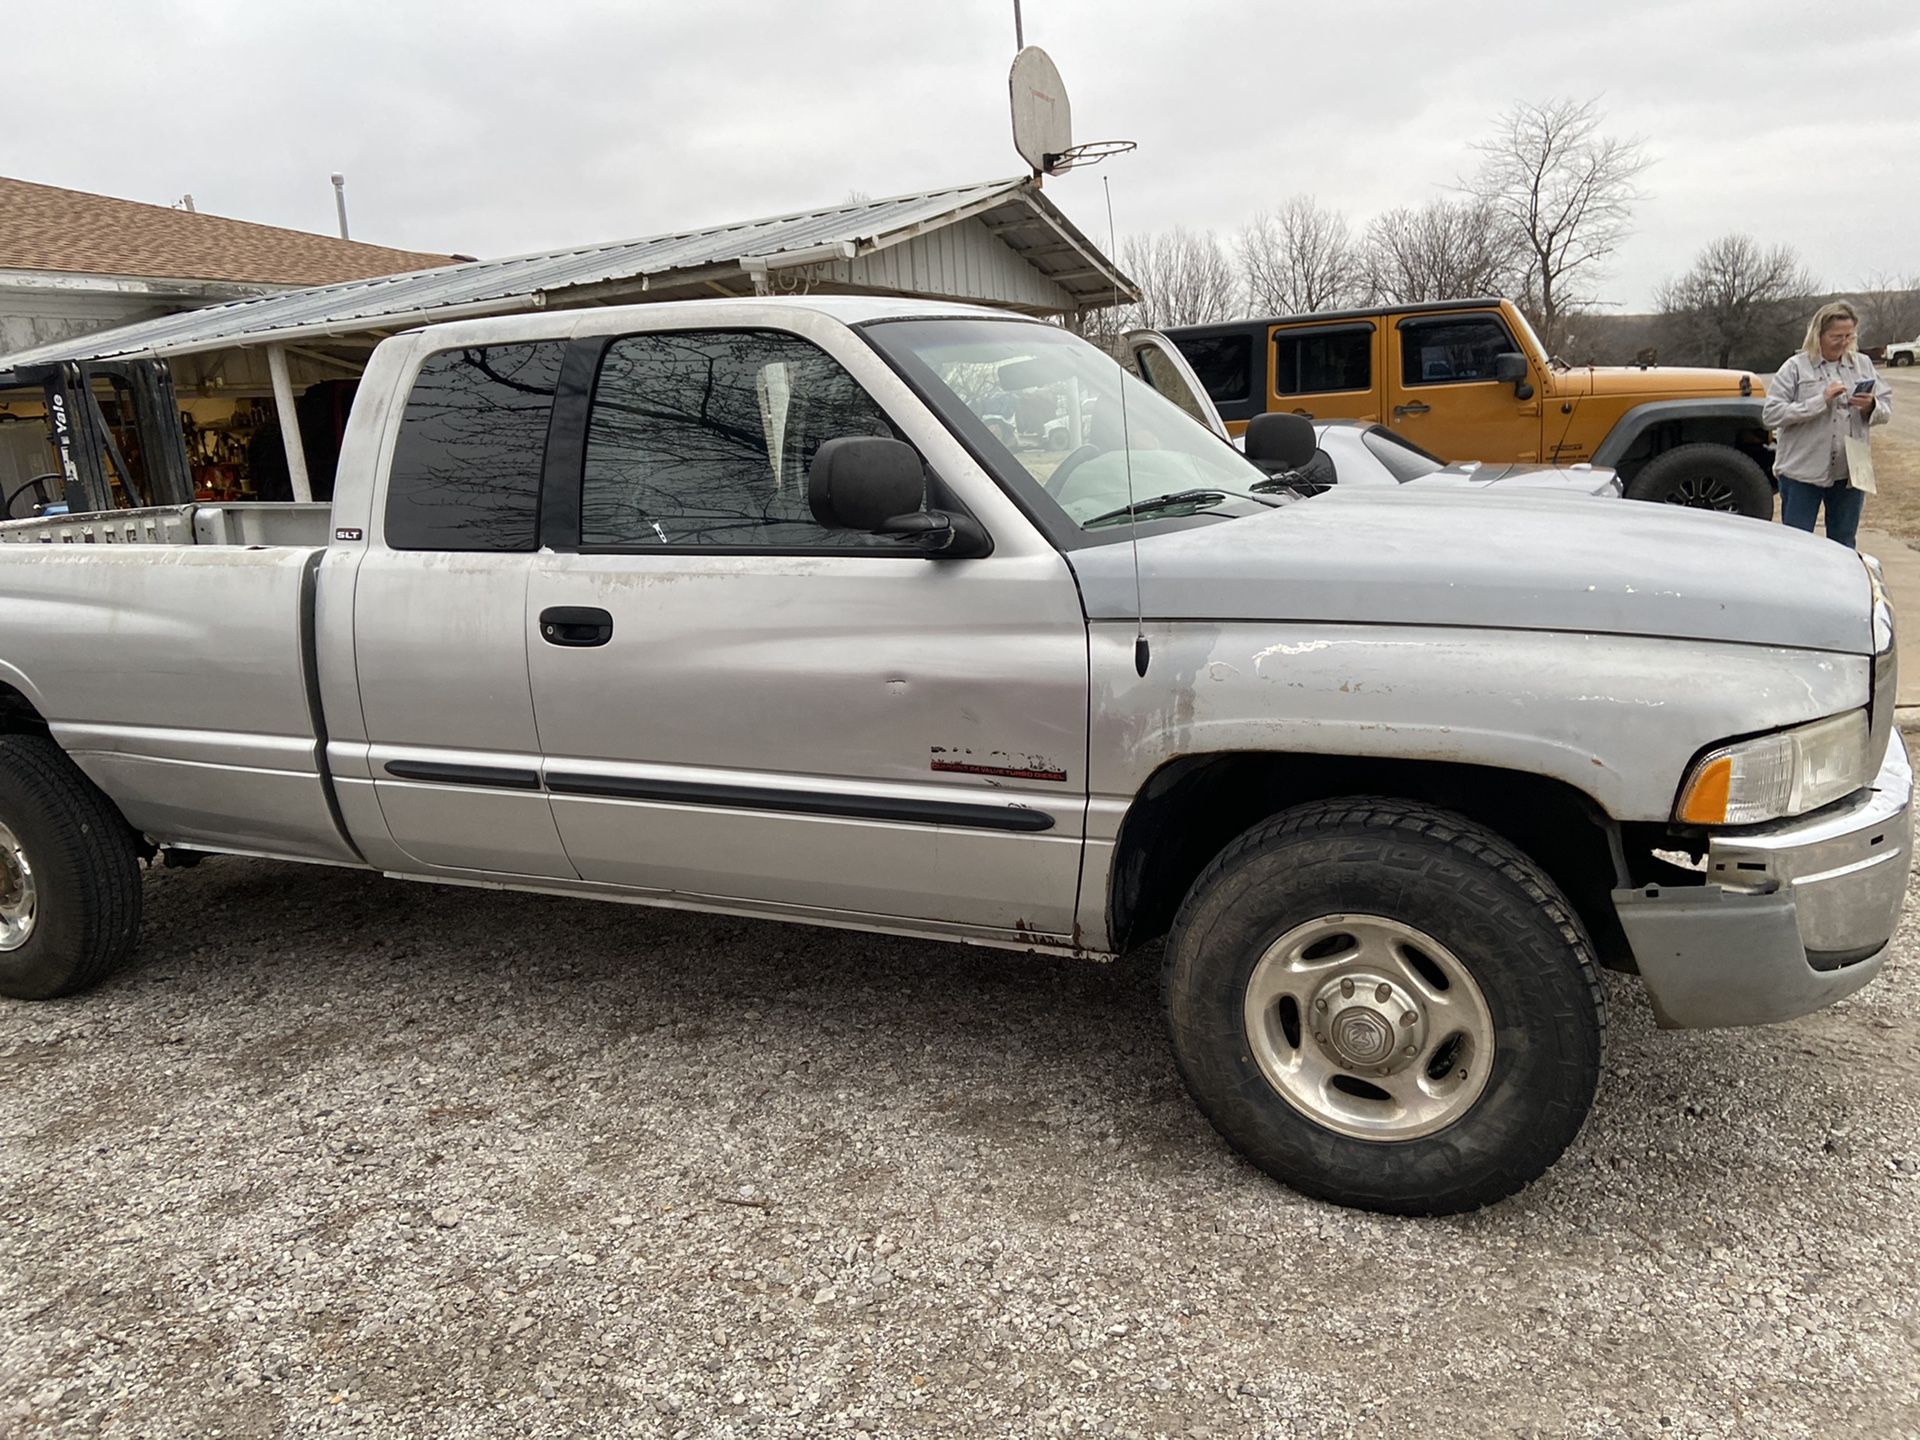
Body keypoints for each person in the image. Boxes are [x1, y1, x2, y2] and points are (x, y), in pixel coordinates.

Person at [1762, 301, 1891, 547]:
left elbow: (1886, 407)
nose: (1843, 342)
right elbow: (1771, 415)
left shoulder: (1863, 364)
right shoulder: (1795, 368)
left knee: (1843, 543)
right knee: (1796, 544)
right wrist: (1820, 401)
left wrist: (1871, 406)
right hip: (1802, 472)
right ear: (1818, 334)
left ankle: (1841, 586)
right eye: (1836, 336)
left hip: (1850, 471)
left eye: (1849, 335)